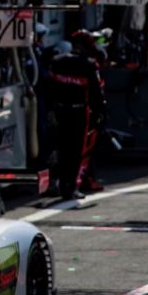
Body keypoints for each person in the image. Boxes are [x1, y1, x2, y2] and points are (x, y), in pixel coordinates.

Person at [46, 31, 107, 201]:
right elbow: (96, 93)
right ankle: (69, 187)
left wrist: (50, 110)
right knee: (74, 152)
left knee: (58, 148)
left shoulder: (57, 62)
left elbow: (48, 88)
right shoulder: (89, 65)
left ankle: (54, 182)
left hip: (59, 111)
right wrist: (100, 113)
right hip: (78, 112)